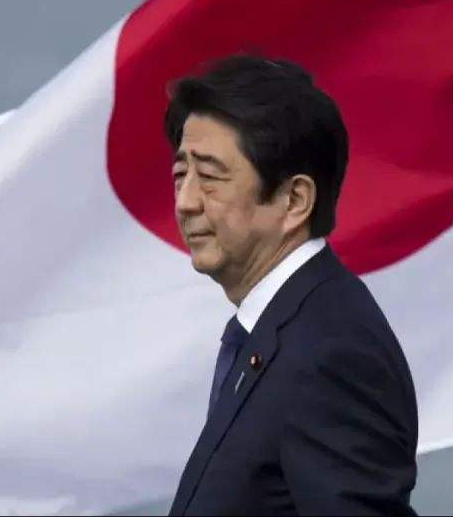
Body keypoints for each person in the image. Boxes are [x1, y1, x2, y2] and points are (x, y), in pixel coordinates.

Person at [164, 54, 420, 516]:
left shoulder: (330, 353)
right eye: (181, 174)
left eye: (210, 177)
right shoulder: (284, 329)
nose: (185, 202)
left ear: (295, 200)